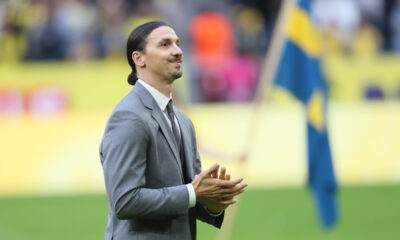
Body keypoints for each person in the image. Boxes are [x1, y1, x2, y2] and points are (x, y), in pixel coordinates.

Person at [99, 21, 247, 240]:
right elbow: (125, 200)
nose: (177, 51)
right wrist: (193, 192)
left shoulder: (183, 122)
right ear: (139, 59)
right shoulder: (129, 117)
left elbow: (187, 197)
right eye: (165, 44)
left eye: (177, 44)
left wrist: (212, 204)